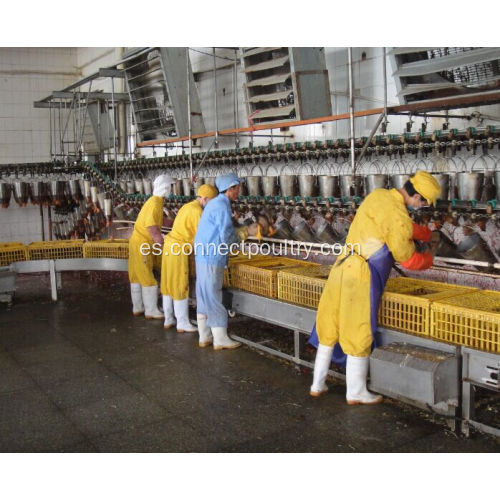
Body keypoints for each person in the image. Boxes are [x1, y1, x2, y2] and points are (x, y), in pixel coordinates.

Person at [309, 170, 441, 405]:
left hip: (341, 268)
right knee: (358, 330)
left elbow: (397, 226)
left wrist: (425, 233)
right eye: (422, 203)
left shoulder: (379, 195)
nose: (420, 208)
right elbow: (408, 258)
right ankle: (356, 392)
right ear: (417, 196)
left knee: (330, 326)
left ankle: (317, 385)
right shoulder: (399, 214)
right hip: (361, 275)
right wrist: (430, 257)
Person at [194, 173, 259, 350]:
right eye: (237, 188)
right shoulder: (222, 205)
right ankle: (220, 339)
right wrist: (247, 233)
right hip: (211, 255)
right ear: (230, 188)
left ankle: (205, 336)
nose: (239, 192)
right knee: (213, 295)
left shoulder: (215, 203)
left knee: (204, 294)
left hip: (203, 254)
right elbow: (226, 236)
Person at [161, 184, 218, 332]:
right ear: (204, 198)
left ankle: (168, 319)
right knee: (180, 285)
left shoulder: (187, 206)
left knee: (168, 284)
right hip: (178, 250)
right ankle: (182, 323)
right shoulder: (197, 211)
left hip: (169, 246)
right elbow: (203, 235)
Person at [128, 174, 173, 319]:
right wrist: (161, 243)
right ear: (166, 188)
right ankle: (151, 310)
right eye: (170, 187)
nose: (171, 190)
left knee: (136, 275)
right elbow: (151, 226)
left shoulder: (152, 201)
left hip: (136, 241)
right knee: (147, 276)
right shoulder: (156, 203)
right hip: (143, 244)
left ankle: (138, 307)